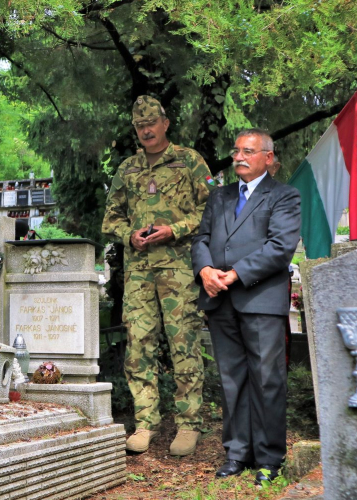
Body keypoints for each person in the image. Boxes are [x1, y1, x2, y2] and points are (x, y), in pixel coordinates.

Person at [102, 95, 214, 456]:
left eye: (151, 122)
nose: (146, 129)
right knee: (138, 347)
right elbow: (112, 217)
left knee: (183, 344)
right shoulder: (127, 168)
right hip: (137, 273)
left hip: (178, 269)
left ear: (166, 123)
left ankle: (189, 423)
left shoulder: (189, 161)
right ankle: (146, 422)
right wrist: (127, 235)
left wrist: (176, 229)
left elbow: (211, 211)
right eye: (139, 125)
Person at [191, 129, 301, 483]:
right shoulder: (219, 196)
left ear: (268, 157)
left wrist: (235, 274)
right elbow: (201, 238)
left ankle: (268, 459)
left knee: (267, 381)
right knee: (232, 380)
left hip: (260, 300)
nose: (238, 156)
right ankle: (237, 453)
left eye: (248, 151)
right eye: (236, 150)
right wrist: (205, 269)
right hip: (219, 300)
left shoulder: (284, 196)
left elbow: (280, 247)